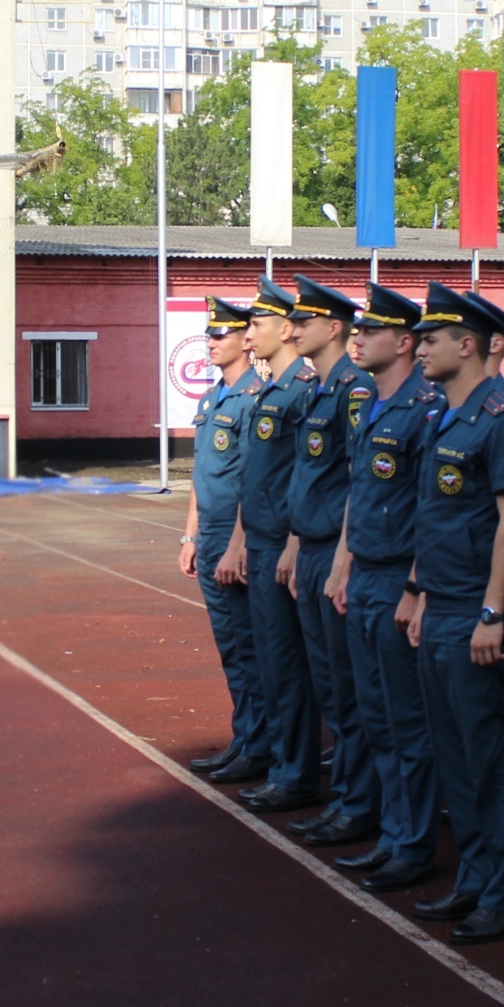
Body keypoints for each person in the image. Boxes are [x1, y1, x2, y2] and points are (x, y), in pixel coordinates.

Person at [405, 283, 504, 944]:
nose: (420, 347)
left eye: (431, 338)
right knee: (457, 757)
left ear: (468, 344)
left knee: (494, 759)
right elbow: (439, 521)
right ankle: (477, 880)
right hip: (445, 605)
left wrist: (493, 612)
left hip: (482, 616)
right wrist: (423, 595)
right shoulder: (442, 415)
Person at [336, 284, 444, 891]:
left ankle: (413, 842)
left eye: (370, 331)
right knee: (376, 715)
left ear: (402, 342)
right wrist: (345, 563)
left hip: (399, 574)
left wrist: (414, 585)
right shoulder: (373, 405)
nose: (358, 337)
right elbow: (363, 491)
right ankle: (392, 832)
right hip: (368, 572)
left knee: (406, 722)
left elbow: (428, 508)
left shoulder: (422, 409)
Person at [284, 276, 379, 847]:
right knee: (330, 685)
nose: (293, 330)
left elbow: (355, 482)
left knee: (348, 688)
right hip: (313, 547)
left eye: (303, 322)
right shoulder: (319, 388)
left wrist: (342, 558)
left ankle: (359, 803)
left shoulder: (354, 389)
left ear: (333, 327)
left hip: (338, 551)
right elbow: (309, 477)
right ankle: (347, 796)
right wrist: (298, 544)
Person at [235, 278, 326, 814]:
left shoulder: (301, 392)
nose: (249, 338)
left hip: (287, 544)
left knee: (290, 666)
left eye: (256, 325)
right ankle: (285, 764)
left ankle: (296, 773)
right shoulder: (273, 391)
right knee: (273, 662)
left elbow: (305, 476)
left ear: (285, 329)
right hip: (265, 540)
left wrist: (289, 540)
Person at [182, 297, 272, 785]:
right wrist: (189, 535)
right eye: (209, 335)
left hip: (238, 536)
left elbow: (251, 479)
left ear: (244, 341)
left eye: (221, 335)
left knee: (248, 643)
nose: (212, 343)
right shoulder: (210, 398)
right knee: (230, 647)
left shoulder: (255, 397)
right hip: (211, 533)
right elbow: (201, 474)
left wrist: (236, 543)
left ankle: (259, 744)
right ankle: (245, 737)